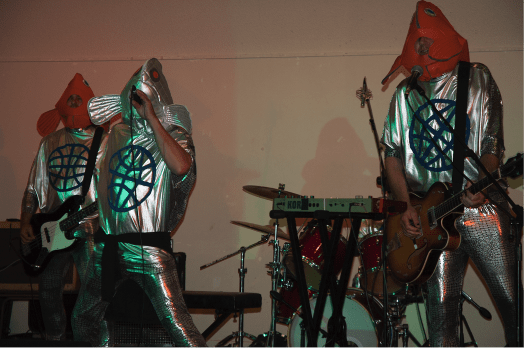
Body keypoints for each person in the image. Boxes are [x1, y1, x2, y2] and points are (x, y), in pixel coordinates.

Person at [381, 2, 520, 347]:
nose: (421, 48)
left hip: (481, 212)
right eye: (417, 43)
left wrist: (484, 184)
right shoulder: (403, 95)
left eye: (427, 41)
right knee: (441, 324)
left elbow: (491, 146)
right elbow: (393, 157)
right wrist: (405, 206)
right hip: (431, 224)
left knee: (514, 307)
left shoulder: (477, 78)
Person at [71, 58, 207, 348]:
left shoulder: (174, 135)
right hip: (108, 249)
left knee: (177, 325)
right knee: (84, 319)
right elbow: (102, 187)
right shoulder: (112, 137)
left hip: (147, 250)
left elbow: (182, 167)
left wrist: (153, 120)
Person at [20, 73, 105, 340]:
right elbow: (33, 187)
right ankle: (53, 339)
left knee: (95, 290)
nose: (75, 101)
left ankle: (92, 341)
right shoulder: (49, 142)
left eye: (80, 98)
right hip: (53, 230)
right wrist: (25, 221)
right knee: (47, 288)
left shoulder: (106, 140)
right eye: (71, 98)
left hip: (91, 228)